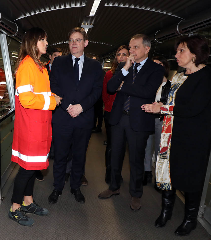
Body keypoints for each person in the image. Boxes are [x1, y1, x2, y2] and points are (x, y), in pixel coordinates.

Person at [142, 35, 211, 236]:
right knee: (168, 173)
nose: (177, 55)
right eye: (177, 51)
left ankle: (190, 219)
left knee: (190, 177)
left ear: (195, 53)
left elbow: (193, 108)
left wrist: (163, 108)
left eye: (181, 50)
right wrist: (159, 106)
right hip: (171, 134)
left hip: (193, 138)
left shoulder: (208, 76)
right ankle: (166, 211)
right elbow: (169, 99)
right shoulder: (179, 76)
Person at [98, 34, 164, 212]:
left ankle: (136, 194)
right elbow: (111, 87)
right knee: (115, 155)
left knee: (136, 158)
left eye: (135, 47)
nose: (131, 51)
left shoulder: (155, 69)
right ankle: (114, 187)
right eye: (130, 47)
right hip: (120, 118)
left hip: (139, 120)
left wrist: (124, 86)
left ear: (146, 49)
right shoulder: (124, 67)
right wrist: (125, 68)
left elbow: (147, 92)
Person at [10, 27, 62, 226]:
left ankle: (28, 201)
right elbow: (26, 99)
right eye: (43, 40)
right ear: (33, 42)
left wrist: (51, 97)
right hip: (31, 127)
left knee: (33, 168)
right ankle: (15, 207)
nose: (46, 43)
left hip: (39, 125)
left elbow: (38, 93)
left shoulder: (38, 65)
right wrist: (51, 101)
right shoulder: (27, 66)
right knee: (26, 169)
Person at [48, 27, 103, 204]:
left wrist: (81, 107)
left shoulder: (95, 66)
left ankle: (76, 187)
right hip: (62, 117)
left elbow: (96, 92)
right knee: (60, 155)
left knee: (79, 155)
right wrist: (67, 106)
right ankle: (57, 187)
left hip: (84, 117)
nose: (74, 43)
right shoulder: (59, 63)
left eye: (78, 40)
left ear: (85, 43)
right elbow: (53, 87)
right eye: (71, 40)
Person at [103, 45, 129, 184]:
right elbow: (105, 94)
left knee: (121, 145)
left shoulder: (132, 73)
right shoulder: (110, 74)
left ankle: (116, 172)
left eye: (124, 54)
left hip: (125, 113)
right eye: (118, 55)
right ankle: (110, 173)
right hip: (111, 112)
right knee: (112, 145)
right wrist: (109, 105)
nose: (121, 57)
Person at [143, 56, 171, 186]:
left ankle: (158, 178)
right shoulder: (150, 83)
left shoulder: (170, 85)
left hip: (162, 120)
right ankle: (146, 172)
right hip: (148, 119)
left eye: (159, 64)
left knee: (160, 150)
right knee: (147, 147)